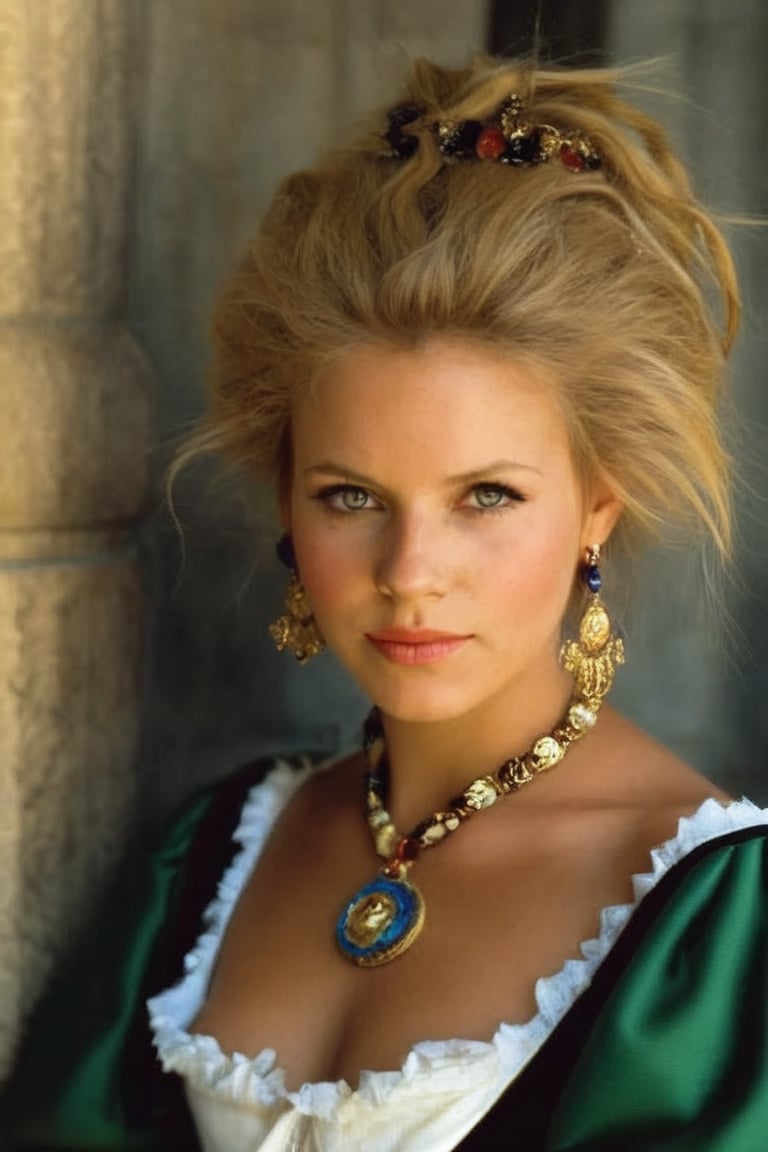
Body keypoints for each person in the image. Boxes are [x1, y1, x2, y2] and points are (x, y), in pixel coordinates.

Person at [6, 53, 767, 1152]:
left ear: (599, 507)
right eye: (351, 494)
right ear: (286, 498)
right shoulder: (208, 855)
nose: (411, 569)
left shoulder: (722, 932)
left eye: (487, 497)